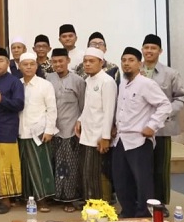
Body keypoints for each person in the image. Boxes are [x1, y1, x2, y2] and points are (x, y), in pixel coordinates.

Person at [113, 47, 171, 218]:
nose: (126, 63)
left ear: (140, 63)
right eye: (124, 60)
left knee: (142, 182)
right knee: (121, 180)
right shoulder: (123, 83)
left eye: (131, 60)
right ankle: (128, 211)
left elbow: (165, 105)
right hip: (121, 139)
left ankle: (144, 214)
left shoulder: (146, 84)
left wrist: (152, 125)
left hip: (139, 140)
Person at [141, 34, 184, 207]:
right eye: (146, 47)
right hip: (139, 129)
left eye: (153, 48)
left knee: (160, 169)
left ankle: (160, 204)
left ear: (160, 51)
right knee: (142, 168)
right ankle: (143, 201)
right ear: (142, 50)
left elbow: (182, 98)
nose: (149, 51)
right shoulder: (134, 71)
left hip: (161, 129)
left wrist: (165, 114)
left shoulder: (170, 74)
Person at [45, 48, 85, 211]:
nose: (57, 64)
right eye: (54, 61)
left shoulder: (78, 81)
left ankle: (69, 199)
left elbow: (83, 106)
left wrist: (80, 124)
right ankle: (56, 196)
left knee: (69, 165)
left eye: (61, 61)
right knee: (53, 164)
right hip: (52, 130)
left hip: (70, 130)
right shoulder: (48, 78)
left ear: (68, 60)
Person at [0, 47, 25, 214]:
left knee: (5, 165)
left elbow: (19, 104)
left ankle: (7, 200)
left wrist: (2, 100)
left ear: (7, 63)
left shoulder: (15, 81)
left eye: (0, 60)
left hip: (7, 128)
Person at [75, 47, 117, 201]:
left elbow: (109, 111)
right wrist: (80, 120)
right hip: (87, 133)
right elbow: (88, 107)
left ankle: (102, 206)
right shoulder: (88, 80)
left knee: (98, 174)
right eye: (85, 61)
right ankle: (90, 204)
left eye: (91, 61)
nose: (87, 64)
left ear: (101, 62)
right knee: (87, 172)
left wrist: (105, 136)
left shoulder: (107, 81)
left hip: (99, 135)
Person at [18, 52, 58, 212]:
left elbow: (52, 109)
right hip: (21, 131)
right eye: (25, 64)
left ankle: (43, 200)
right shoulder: (17, 84)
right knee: (26, 167)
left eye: (32, 64)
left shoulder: (44, 85)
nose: (28, 67)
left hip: (39, 132)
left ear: (36, 66)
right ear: (20, 66)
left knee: (41, 167)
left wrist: (49, 130)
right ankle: (28, 198)